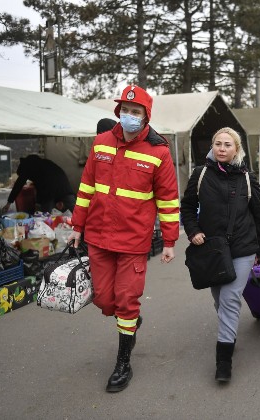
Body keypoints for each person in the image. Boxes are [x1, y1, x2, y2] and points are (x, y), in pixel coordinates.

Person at [67, 85, 180, 392]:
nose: (130, 116)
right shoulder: (101, 143)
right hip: (99, 237)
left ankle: (122, 364)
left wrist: (169, 241)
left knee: (126, 301)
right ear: (118, 112)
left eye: (136, 112)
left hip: (133, 242)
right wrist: (77, 226)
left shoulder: (159, 152)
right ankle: (129, 320)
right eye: (125, 110)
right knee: (105, 300)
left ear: (146, 116)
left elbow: (168, 200)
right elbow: (87, 186)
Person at [180, 127, 260, 383]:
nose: (221, 148)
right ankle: (228, 333)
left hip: (243, 248)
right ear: (212, 146)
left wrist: (259, 249)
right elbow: (187, 206)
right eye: (217, 143)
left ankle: (223, 362)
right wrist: (193, 231)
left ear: (236, 149)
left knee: (229, 299)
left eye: (227, 144)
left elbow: (258, 217)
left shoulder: (248, 178)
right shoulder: (201, 173)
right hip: (212, 249)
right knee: (219, 299)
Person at [2, 154, 76, 214]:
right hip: (65, 189)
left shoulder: (27, 166)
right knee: (76, 216)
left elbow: (18, 185)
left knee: (46, 219)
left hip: (49, 192)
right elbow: (52, 180)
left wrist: (9, 203)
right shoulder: (44, 163)